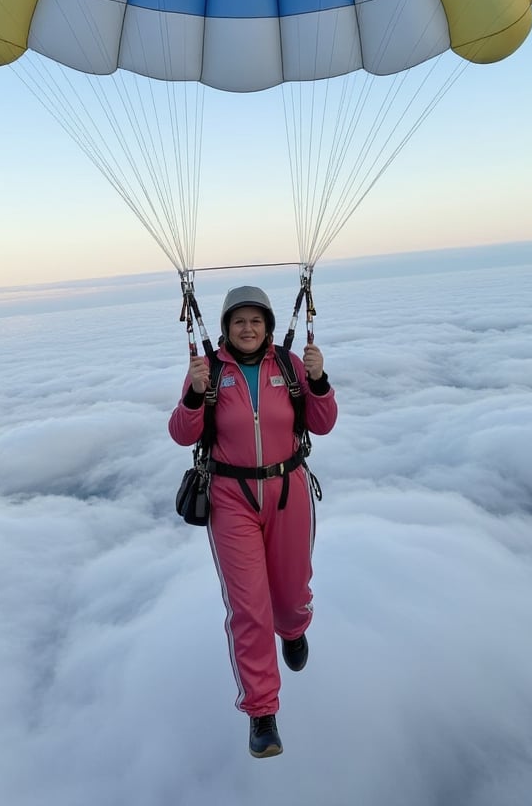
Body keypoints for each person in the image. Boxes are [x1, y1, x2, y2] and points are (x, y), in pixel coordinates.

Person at [169, 285, 337, 759]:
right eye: (239, 321)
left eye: (255, 321)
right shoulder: (210, 371)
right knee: (249, 607)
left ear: (266, 325)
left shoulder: (287, 366)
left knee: (290, 589)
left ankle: (295, 625)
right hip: (231, 497)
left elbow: (323, 423)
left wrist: (319, 380)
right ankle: (262, 712)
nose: (248, 329)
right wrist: (195, 393)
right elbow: (183, 433)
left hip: (288, 490)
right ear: (225, 329)